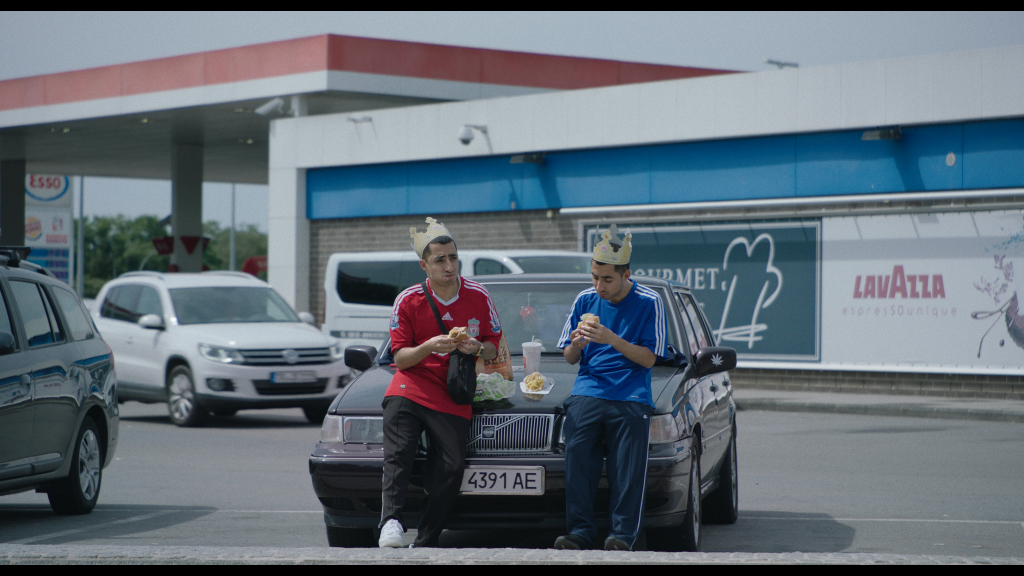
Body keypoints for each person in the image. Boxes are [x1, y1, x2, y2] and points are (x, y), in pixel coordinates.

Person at [378, 217, 502, 548]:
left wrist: (475, 346)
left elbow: (493, 346)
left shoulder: (479, 294)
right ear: (424, 265)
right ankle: (391, 522)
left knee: (451, 467)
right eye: (440, 260)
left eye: (453, 258)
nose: (449, 266)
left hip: (453, 391)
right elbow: (400, 358)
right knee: (399, 452)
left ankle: (428, 537)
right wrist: (430, 346)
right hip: (411, 384)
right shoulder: (407, 299)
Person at [554, 224, 667, 551]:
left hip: (631, 395)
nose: (598, 286)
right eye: (594, 276)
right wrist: (577, 343)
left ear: (626, 274)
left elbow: (649, 359)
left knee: (627, 471)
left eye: (607, 279)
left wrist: (611, 339)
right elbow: (569, 358)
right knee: (577, 464)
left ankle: (621, 535)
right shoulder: (584, 299)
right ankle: (579, 532)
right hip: (588, 389)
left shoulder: (649, 301)